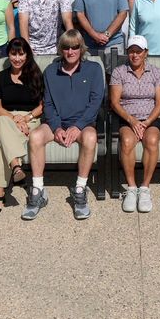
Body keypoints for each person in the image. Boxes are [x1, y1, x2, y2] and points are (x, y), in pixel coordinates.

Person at [22, 30, 105, 221]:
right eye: (66, 47)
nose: (70, 51)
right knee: (35, 136)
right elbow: (48, 104)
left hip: (83, 124)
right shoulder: (50, 71)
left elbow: (96, 101)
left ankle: (80, 189)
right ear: (61, 49)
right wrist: (58, 128)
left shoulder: (93, 69)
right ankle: (38, 190)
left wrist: (78, 126)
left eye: (75, 47)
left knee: (91, 137)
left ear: (81, 48)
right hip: (56, 123)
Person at [0, 37, 45, 217]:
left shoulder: (36, 75)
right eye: (14, 54)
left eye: (21, 54)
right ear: (8, 55)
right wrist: (14, 118)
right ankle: (16, 166)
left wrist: (26, 118)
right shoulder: (0, 77)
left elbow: (43, 106)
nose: (17, 58)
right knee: (4, 124)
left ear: (27, 55)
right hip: (5, 118)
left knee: (2, 145)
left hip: (31, 119)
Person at [109, 35, 160, 214]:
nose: (134, 55)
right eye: (131, 51)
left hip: (150, 117)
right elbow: (115, 103)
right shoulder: (119, 72)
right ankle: (132, 188)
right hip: (127, 117)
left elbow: (159, 103)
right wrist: (133, 121)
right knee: (126, 141)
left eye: (138, 51)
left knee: (152, 140)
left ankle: (145, 188)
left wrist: (146, 122)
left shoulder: (156, 72)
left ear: (146, 53)